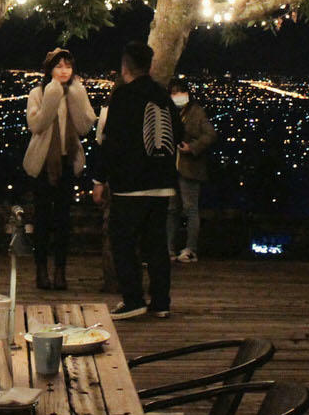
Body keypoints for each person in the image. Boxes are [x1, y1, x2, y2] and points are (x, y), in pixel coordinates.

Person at [91, 42, 178, 320]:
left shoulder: (123, 97)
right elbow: (179, 130)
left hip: (131, 183)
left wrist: (99, 179)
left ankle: (133, 299)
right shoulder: (163, 96)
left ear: (125, 66)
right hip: (162, 181)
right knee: (156, 245)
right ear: (150, 65)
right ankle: (161, 301)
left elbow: (111, 141)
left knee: (123, 242)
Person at [24, 48, 95, 291]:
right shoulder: (38, 93)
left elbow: (85, 126)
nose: (64, 70)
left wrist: (74, 97)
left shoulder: (77, 92)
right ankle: (41, 269)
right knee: (42, 219)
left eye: (67, 66)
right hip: (44, 163)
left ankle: (60, 270)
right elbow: (37, 124)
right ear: (50, 69)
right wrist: (52, 96)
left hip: (68, 161)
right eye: (58, 66)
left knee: (63, 220)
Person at [165, 78, 217, 264]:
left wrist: (192, 147)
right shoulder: (169, 112)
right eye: (174, 92)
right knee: (171, 209)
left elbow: (210, 134)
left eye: (180, 92)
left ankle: (190, 248)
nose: (177, 96)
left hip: (190, 167)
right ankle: (169, 248)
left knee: (190, 208)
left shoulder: (196, 112)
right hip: (172, 168)